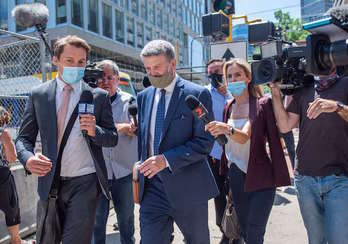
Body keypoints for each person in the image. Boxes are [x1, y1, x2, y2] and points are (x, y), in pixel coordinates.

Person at [15, 35, 118, 244]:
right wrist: (27, 159)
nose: (76, 66)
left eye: (81, 62)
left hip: (86, 183)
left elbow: (112, 137)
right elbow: (23, 139)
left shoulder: (98, 97)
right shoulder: (39, 95)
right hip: (49, 181)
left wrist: (95, 131)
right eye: (69, 60)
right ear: (56, 60)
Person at [136, 40, 219, 244]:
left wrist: (166, 160)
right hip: (152, 191)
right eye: (148, 68)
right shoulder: (143, 97)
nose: (152, 73)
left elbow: (204, 143)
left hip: (188, 188)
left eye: (157, 67)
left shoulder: (197, 94)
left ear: (172, 65)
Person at [205, 58, 291, 244]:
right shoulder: (228, 106)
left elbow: (244, 136)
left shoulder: (262, 103)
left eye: (238, 75)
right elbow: (227, 144)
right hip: (235, 178)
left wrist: (226, 129)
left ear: (248, 78)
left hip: (261, 178)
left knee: (254, 234)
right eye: (229, 76)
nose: (233, 79)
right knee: (243, 231)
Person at [270, 67, 348, 244]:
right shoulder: (304, 87)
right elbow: (284, 126)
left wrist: (336, 106)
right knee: (316, 240)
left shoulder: (345, 83)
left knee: (339, 240)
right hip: (305, 179)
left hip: (340, 178)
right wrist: (275, 93)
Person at [92, 60, 137, 244]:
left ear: (118, 79)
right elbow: (88, 130)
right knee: (97, 223)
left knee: (126, 221)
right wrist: (121, 127)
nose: (106, 82)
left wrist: (131, 127)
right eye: (101, 78)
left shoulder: (130, 102)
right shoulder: (90, 102)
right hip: (98, 173)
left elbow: (137, 128)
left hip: (124, 172)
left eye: (110, 77)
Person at [205, 58, 231, 244]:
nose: (215, 76)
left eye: (218, 72)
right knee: (219, 195)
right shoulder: (204, 93)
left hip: (238, 154)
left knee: (237, 194)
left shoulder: (236, 91)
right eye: (211, 73)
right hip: (215, 155)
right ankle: (224, 230)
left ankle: (236, 230)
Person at [0, 107, 22, 244]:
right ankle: (15, 240)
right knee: (11, 208)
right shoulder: (4, 133)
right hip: (2, 175)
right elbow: (12, 158)